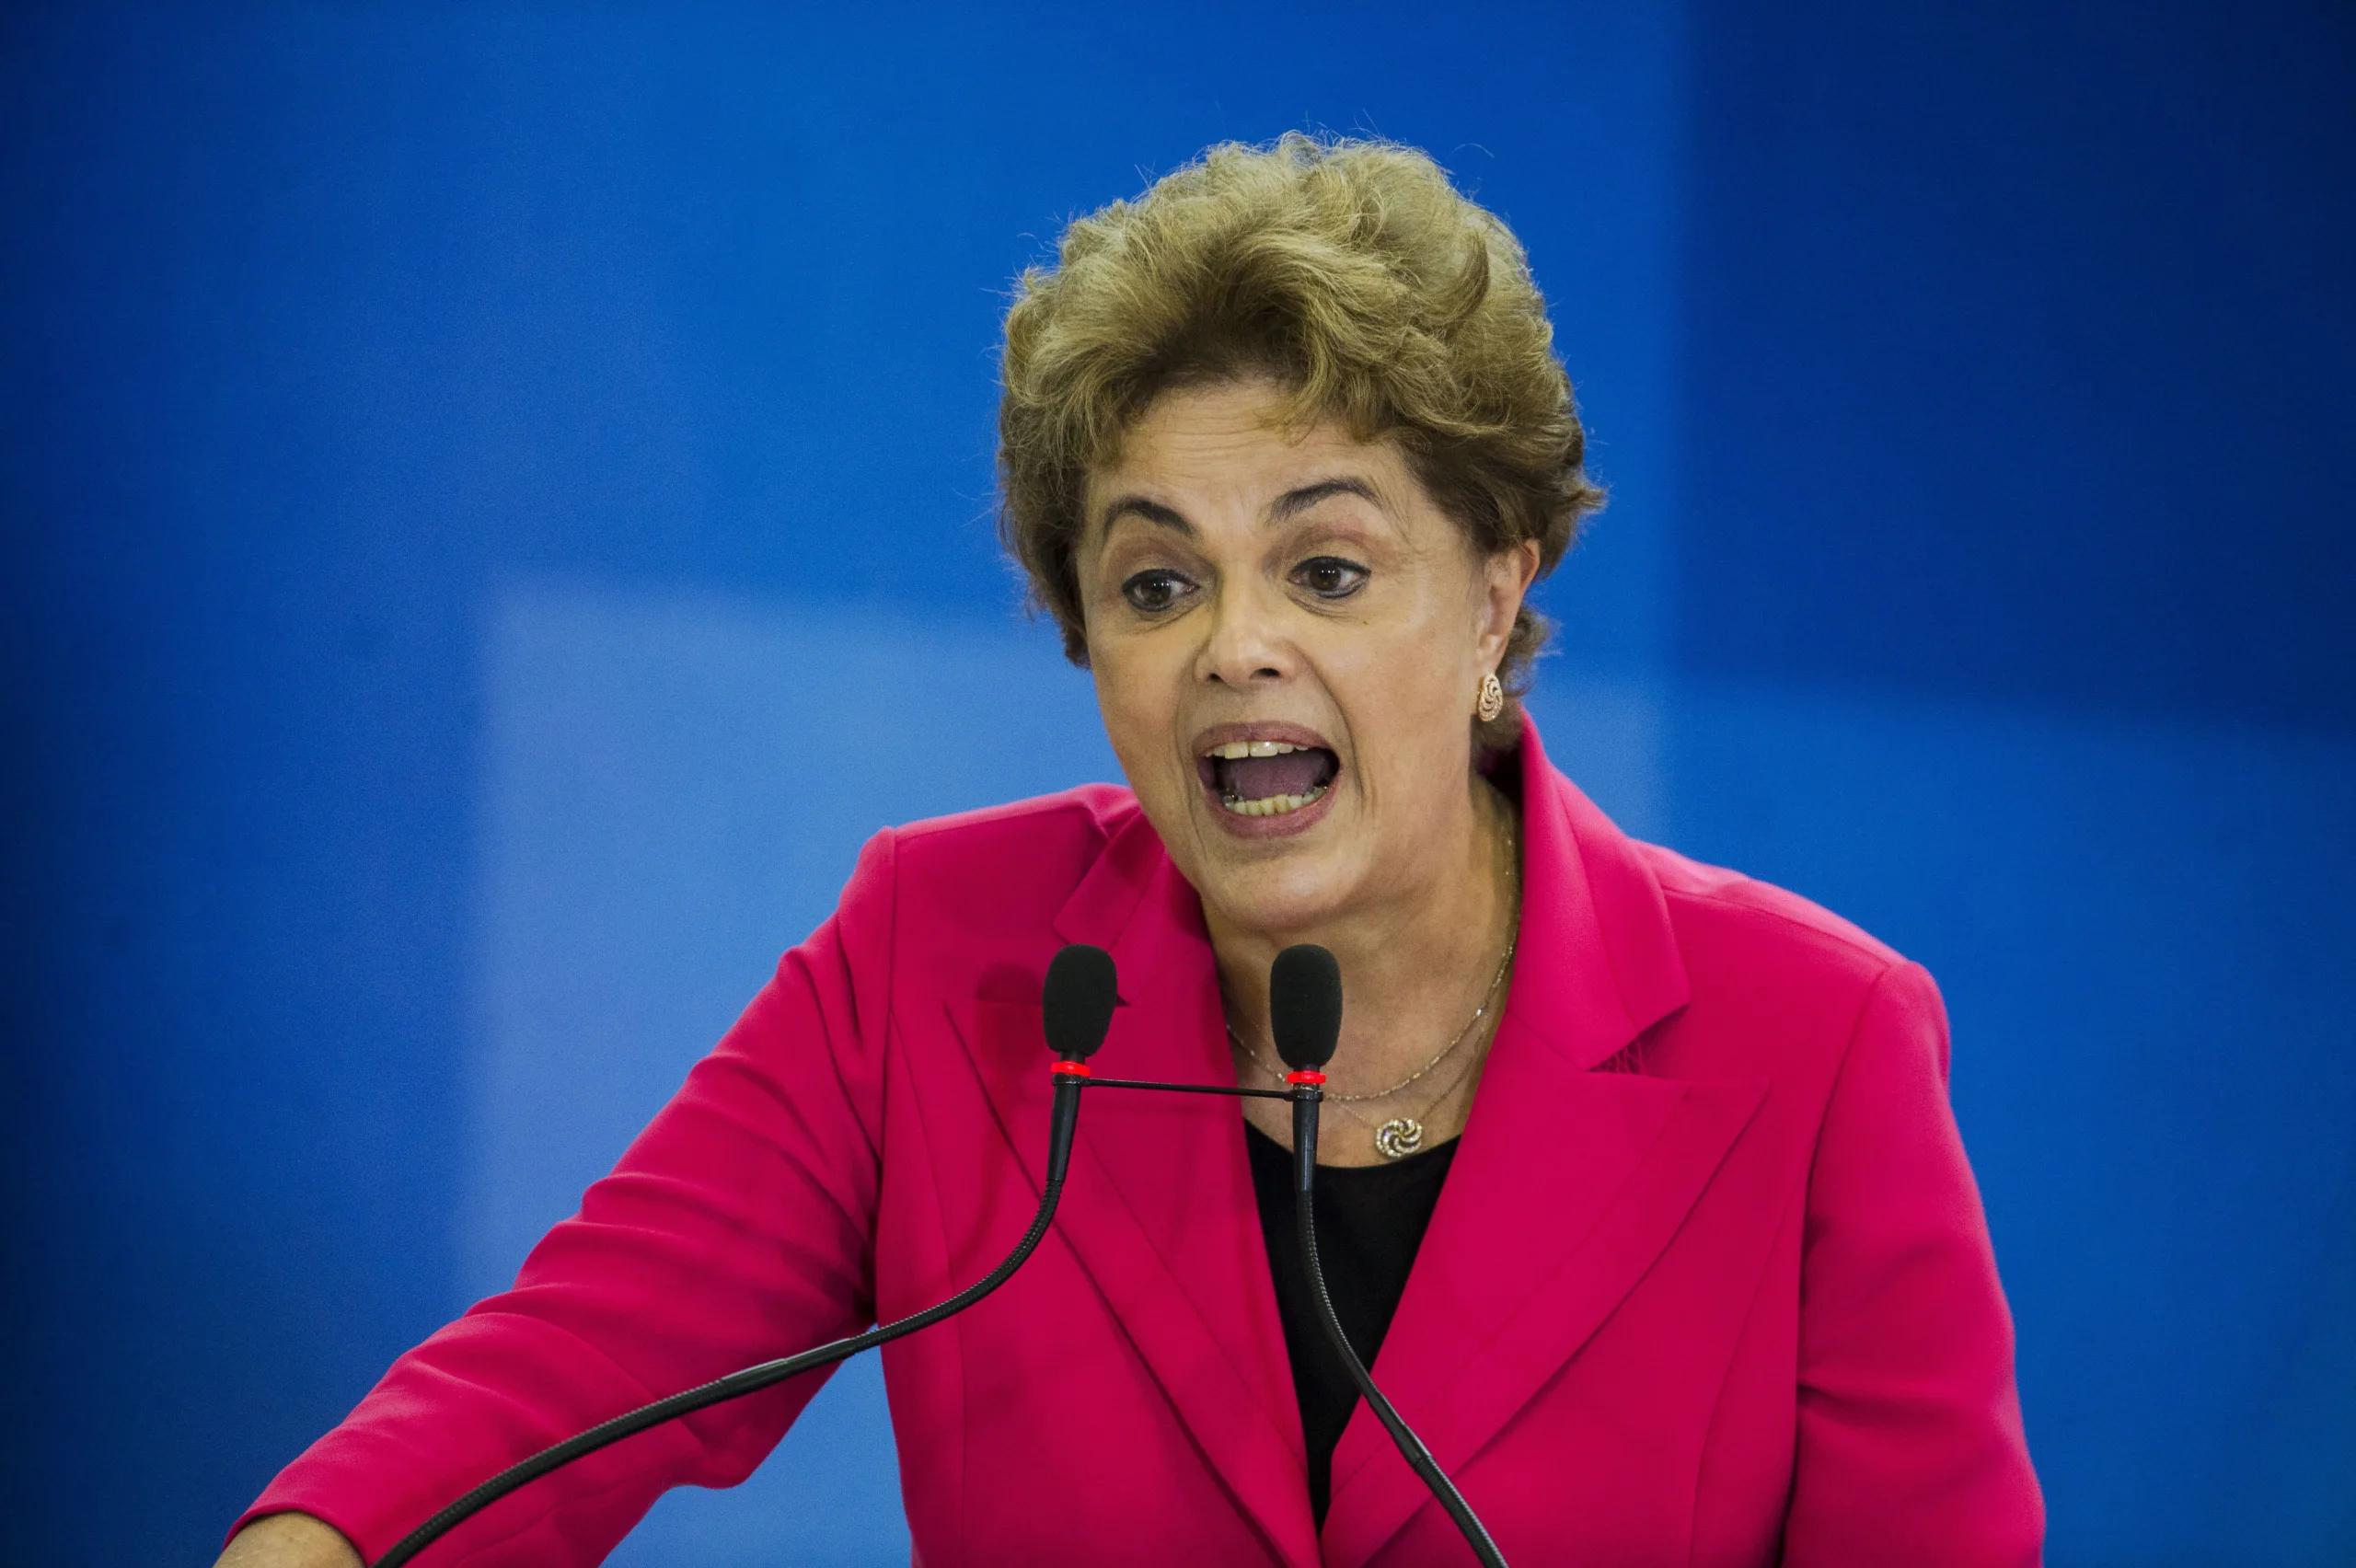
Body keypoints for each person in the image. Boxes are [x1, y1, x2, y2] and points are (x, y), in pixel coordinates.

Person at [219, 134, 2042, 1568]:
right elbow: (561, 1386)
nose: (1232, 646)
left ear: (1492, 596)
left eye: (1325, 570)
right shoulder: (939, 963)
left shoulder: (1810, 1046)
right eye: (1157, 582)